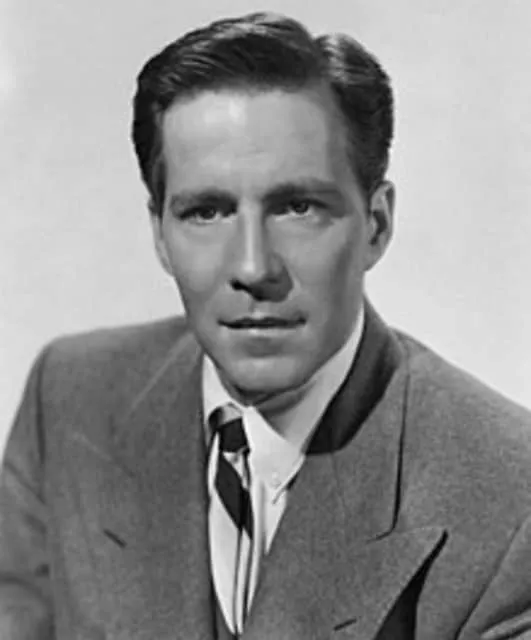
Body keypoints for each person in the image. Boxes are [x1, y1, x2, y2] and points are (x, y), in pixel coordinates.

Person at [1, 11, 531, 640]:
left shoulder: (510, 497)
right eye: (206, 212)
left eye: (297, 207)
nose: (253, 268)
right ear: (159, 235)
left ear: (377, 225)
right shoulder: (70, 400)